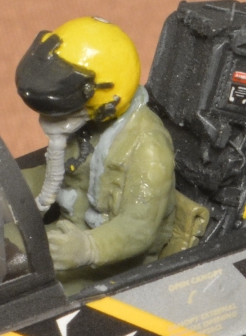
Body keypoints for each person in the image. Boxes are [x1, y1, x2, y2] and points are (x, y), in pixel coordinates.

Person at [13, 16, 177, 286]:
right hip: (67, 238)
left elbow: (139, 226)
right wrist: (8, 188)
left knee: (26, 294)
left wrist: (89, 248)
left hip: (113, 266)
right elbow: (58, 173)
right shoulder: (87, 125)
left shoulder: (148, 148)